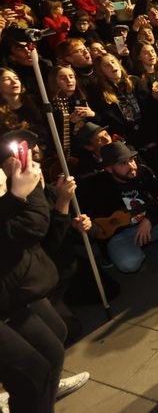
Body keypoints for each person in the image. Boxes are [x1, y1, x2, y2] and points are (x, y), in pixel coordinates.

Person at [0, 130, 91, 413]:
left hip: (19, 280)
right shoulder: (19, 187)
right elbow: (29, 229)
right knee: (34, 371)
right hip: (12, 286)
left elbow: (46, 240)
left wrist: (56, 203)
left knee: (53, 345)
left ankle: (40, 394)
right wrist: (22, 194)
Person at [79, 141, 158, 274]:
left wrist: (149, 220)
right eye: (123, 163)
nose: (132, 166)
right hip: (120, 235)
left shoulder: (143, 172)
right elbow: (93, 224)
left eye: (131, 160)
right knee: (129, 263)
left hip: (149, 224)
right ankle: (134, 255)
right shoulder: (98, 187)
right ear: (109, 169)